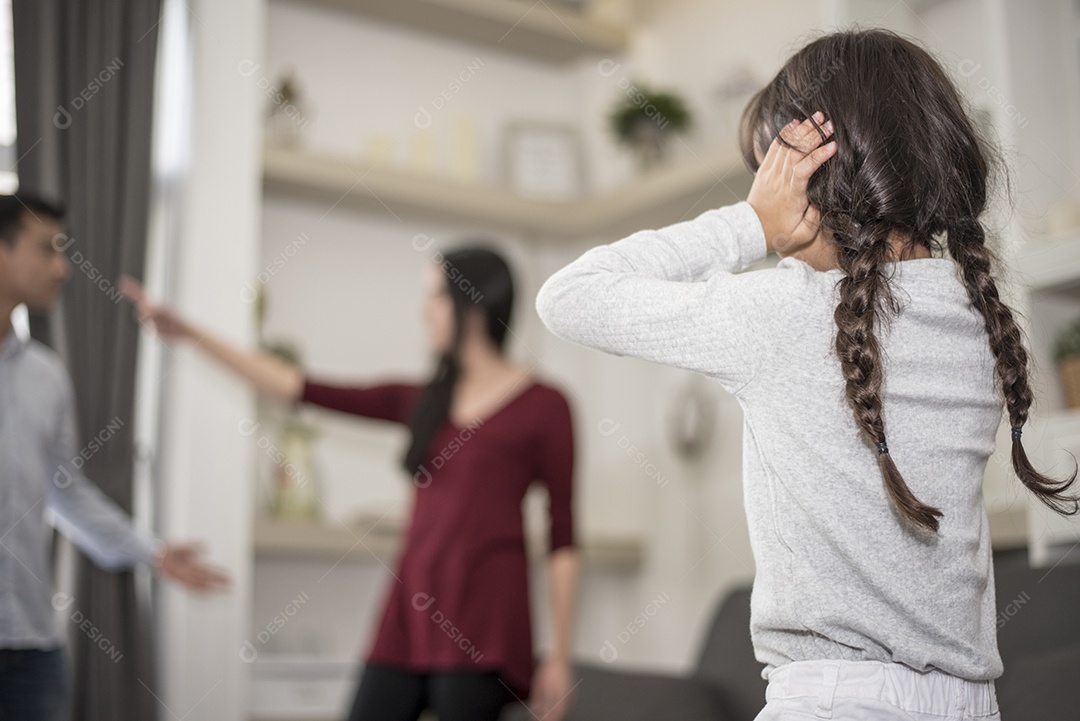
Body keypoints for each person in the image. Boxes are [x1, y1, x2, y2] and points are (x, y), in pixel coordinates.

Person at [536, 28, 1078, 721]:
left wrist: (750, 225)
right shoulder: (979, 319)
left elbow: (570, 297)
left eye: (775, 175)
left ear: (816, 182)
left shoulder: (786, 313)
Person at [122, 246, 579, 721]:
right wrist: (190, 333)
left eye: (435, 297)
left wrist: (560, 657)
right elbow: (296, 386)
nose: (424, 311)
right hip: (409, 613)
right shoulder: (425, 401)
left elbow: (563, 536)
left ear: (474, 305)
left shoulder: (546, 407)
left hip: (485, 624)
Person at [0, 193, 230, 721]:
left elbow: (67, 493)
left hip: (32, 654)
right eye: (46, 249)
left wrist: (152, 553)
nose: (62, 268)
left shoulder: (45, 377)